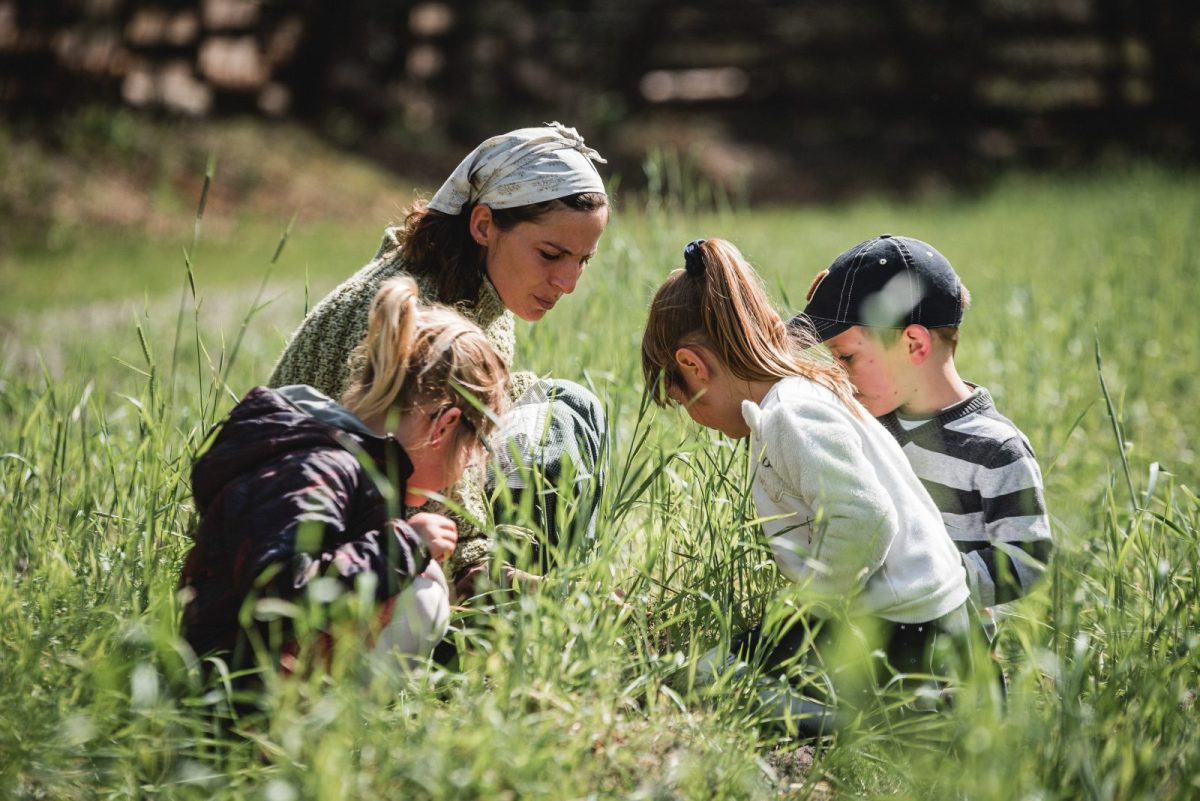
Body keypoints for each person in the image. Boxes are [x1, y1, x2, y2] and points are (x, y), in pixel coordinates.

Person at [268, 123, 610, 598]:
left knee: (567, 403)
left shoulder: (475, 289)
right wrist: (482, 569)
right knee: (556, 419)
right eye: (551, 254)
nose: (568, 282)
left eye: (582, 260)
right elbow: (423, 477)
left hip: (394, 514)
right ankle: (522, 604)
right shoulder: (424, 320)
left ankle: (557, 589)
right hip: (324, 551)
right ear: (484, 225)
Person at [641, 238, 973, 726]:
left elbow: (864, 517)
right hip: (930, 620)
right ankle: (890, 708)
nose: (696, 417)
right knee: (718, 667)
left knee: (709, 681)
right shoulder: (801, 397)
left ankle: (870, 723)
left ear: (693, 366)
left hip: (905, 628)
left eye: (684, 400)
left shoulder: (790, 413)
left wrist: (812, 606)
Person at [179, 276, 509, 682]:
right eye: (474, 451)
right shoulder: (320, 466)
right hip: (238, 681)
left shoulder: (348, 464)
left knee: (421, 576)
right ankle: (329, 715)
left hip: (253, 662)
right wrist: (405, 544)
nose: (468, 468)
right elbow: (281, 586)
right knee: (422, 594)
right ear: (445, 426)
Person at [792, 234, 1052, 640]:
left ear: (914, 344)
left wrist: (927, 577)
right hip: (865, 638)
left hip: (953, 650)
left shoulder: (995, 450)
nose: (838, 375)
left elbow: (1028, 561)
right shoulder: (868, 428)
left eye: (846, 357)